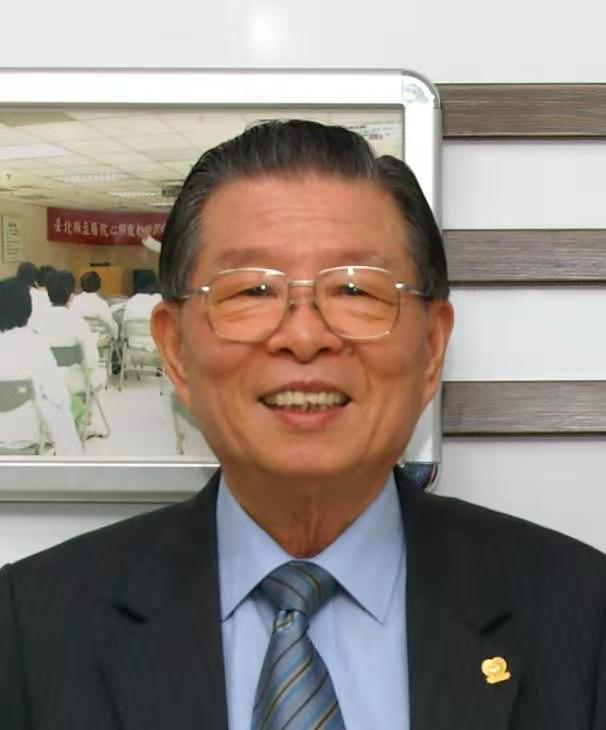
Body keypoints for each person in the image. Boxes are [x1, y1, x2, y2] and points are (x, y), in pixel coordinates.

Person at [1, 120, 605, 730]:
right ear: (175, 351)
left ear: (431, 349)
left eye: (355, 289)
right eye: (252, 290)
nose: (305, 335)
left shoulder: (583, 613)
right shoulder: (27, 627)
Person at [0, 277, 82, 455]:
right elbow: (57, 398)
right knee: (59, 400)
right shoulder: (36, 345)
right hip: (24, 437)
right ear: (27, 307)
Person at [70, 270, 118, 339]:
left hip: (79, 340)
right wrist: (116, 338)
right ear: (99, 285)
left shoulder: (75, 300)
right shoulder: (101, 303)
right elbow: (111, 325)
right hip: (100, 342)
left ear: (81, 285)